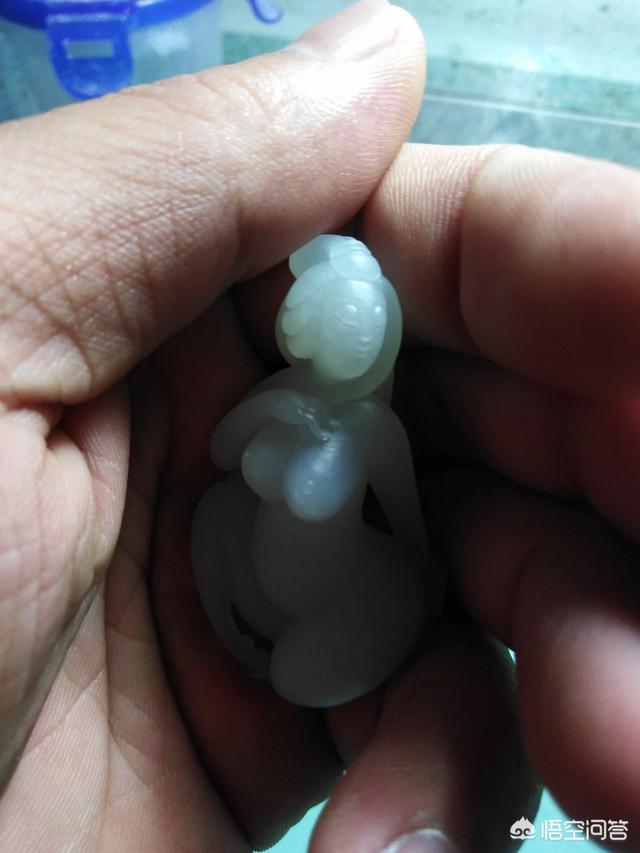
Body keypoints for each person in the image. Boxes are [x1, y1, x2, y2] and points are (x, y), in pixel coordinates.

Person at [0, 0, 638, 850]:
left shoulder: (373, 432)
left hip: (346, 595)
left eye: (351, 331)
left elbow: (407, 521)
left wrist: (425, 579)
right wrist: (271, 419)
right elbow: (223, 451)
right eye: (320, 323)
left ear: (376, 341)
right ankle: (252, 638)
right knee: (223, 518)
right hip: (262, 588)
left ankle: (307, 644)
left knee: (306, 672)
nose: (331, 341)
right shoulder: (282, 397)